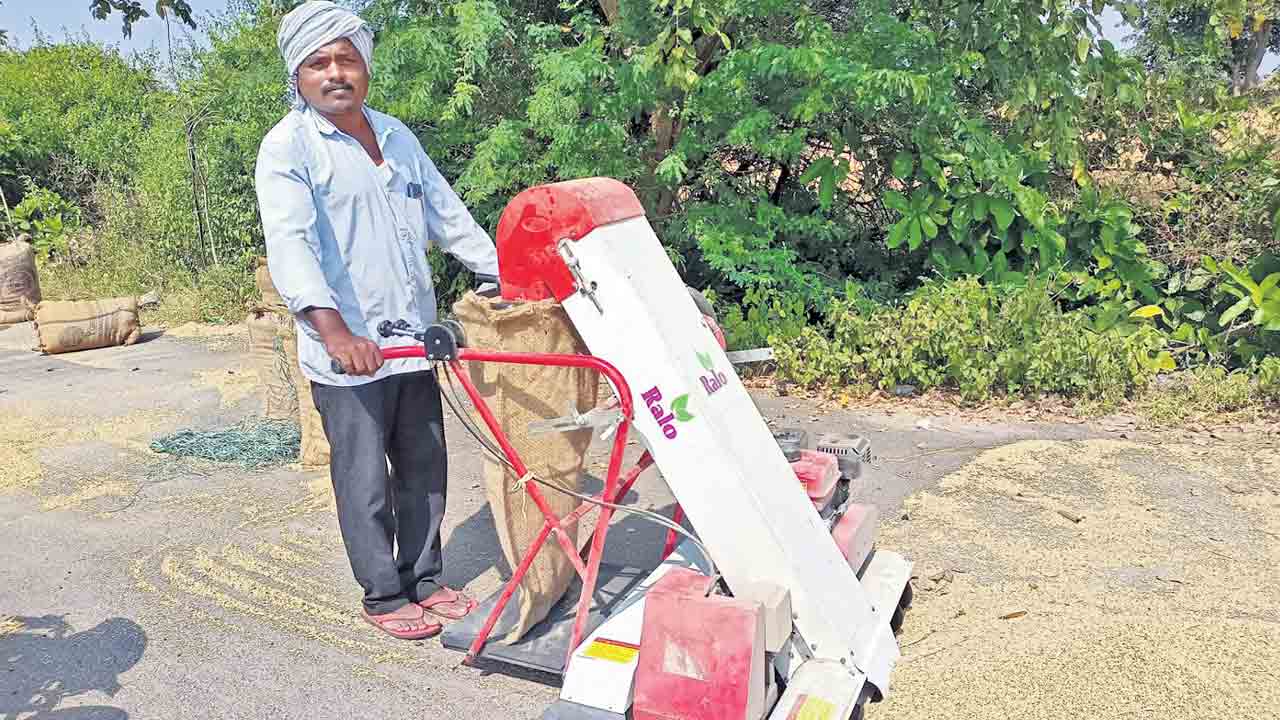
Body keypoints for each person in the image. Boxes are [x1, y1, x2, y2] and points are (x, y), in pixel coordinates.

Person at [254, 1, 498, 641]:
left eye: (347, 58)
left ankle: (426, 579)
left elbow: (447, 215)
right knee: (365, 483)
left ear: (364, 67)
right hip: (349, 353)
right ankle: (384, 594)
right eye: (319, 62)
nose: (336, 72)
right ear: (298, 75)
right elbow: (291, 244)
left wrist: (500, 271)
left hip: (412, 342)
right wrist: (334, 332)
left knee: (424, 467)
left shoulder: (395, 136)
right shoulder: (288, 148)